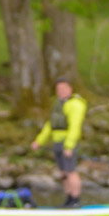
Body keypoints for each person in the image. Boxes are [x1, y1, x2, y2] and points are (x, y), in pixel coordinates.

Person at [31, 78, 88, 207]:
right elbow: (50, 125)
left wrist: (69, 146)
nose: (61, 92)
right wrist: (39, 141)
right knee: (63, 173)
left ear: (70, 89)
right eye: (58, 89)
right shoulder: (58, 104)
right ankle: (68, 198)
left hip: (68, 142)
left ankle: (75, 199)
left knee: (70, 171)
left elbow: (75, 126)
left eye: (63, 89)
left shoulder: (75, 105)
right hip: (57, 142)